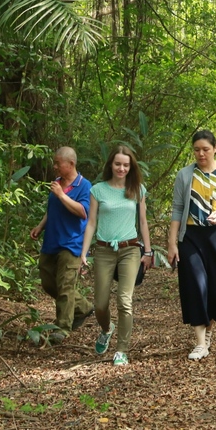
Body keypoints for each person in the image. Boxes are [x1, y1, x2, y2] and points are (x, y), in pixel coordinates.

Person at [167, 130, 216, 361]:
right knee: (195, 284)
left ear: (215, 148)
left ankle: (208, 329)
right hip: (190, 237)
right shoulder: (184, 175)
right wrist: (172, 243)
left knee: (214, 288)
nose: (201, 154)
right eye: (196, 150)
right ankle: (200, 343)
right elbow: (177, 210)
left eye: (205, 149)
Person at [79, 145, 149, 366]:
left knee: (124, 300)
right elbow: (91, 223)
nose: (121, 168)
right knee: (100, 304)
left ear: (131, 167)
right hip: (103, 250)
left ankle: (122, 350)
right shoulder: (98, 190)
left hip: (130, 249)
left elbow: (143, 222)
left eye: (126, 165)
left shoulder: (137, 189)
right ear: (111, 164)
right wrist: (83, 253)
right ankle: (106, 329)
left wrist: (148, 250)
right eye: (118, 164)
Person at [29, 147, 94, 344]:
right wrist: (40, 226)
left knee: (65, 285)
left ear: (71, 164)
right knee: (49, 282)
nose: (54, 166)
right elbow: (53, 209)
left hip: (72, 243)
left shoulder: (84, 186)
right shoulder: (57, 183)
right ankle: (83, 307)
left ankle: (63, 327)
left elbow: (83, 212)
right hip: (52, 241)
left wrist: (62, 195)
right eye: (54, 163)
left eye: (58, 163)